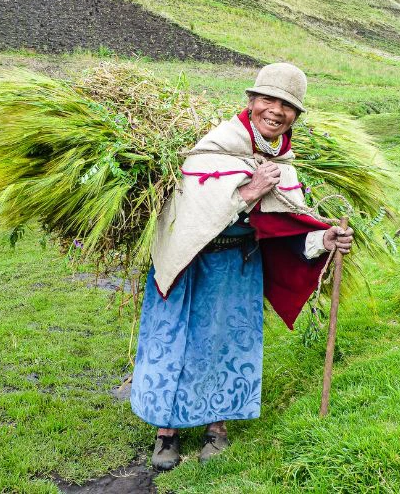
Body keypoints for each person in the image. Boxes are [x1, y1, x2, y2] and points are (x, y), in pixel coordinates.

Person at [130, 62, 354, 471]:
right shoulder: (214, 148)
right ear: (251, 101)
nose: (276, 111)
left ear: (296, 116)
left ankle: (217, 427)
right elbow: (190, 214)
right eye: (268, 99)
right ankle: (167, 432)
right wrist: (251, 191)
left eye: (288, 106)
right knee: (177, 341)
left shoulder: (283, 164)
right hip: (189, 265)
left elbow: (286, 226)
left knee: (227, 343)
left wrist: (324, 240)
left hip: (238, 266)